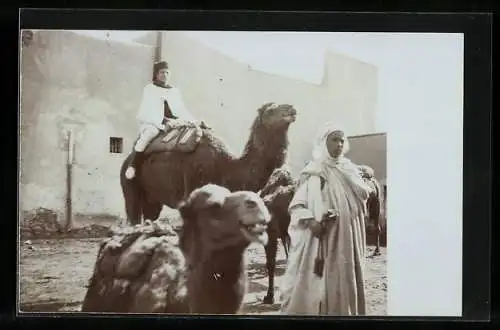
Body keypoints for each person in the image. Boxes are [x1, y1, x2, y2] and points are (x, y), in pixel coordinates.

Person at [279, 122, 374, 316]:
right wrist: (312, 221)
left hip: (349, 239)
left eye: (341, 140)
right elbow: (298, 205)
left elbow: (362, 196)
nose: (339, 144)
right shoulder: (315, 171)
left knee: (347, 277)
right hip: (326, 240)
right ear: (324, 142)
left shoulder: (350, 170)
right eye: (334, 139)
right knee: (325, 281)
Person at [125, 60, 198, 180]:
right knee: (150, 133)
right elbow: (148, 110)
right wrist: (163, 121)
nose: (165, 75)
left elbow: (181, 110)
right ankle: (133, 164)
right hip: (153, 122)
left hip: (174, 122)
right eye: (162, 72)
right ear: (157, 74)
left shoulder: (174, 91)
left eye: (167, 72)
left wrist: (194, 121)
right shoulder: (149, 89)